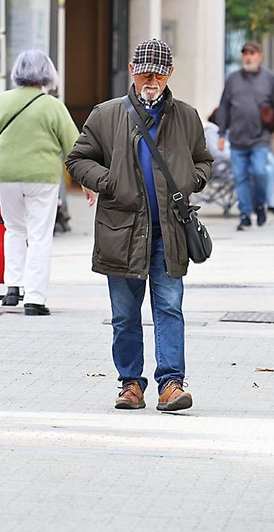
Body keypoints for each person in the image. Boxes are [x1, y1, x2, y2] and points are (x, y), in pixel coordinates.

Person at [66, 38, 212, 413]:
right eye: (145, 73)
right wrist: (108, 180)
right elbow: (78, 159)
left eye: (158, 74)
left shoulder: (187, 116)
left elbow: (203, 161)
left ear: (169, 75)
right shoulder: (106, 114)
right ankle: (131, 384)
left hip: (170, 231)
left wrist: (189, 180)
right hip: (122, 230)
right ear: (131, 72)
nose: (151, 80)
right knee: (125, 314)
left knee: (169, 307)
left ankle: (171, 384)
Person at [0, 49, 80, 316]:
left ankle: (13, 286)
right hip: (41, 177)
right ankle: (35, 299)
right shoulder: (53, 106)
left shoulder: (3, 100)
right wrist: (87, 183)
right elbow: (74, 146)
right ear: (48, 74)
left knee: (14, 229)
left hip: (3, 174)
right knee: (39, 236)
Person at [216, 41, 274, 231]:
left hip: (260, 137)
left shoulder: (269, 78)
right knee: (240, 178)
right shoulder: (232, 79)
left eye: (252, 53)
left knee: (260, 171)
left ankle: (259, 204)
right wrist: (221, 133)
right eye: (245, 53)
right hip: (237, 138)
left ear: (260, 56)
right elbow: (223, 106)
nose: (248, 57)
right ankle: (245, 215)